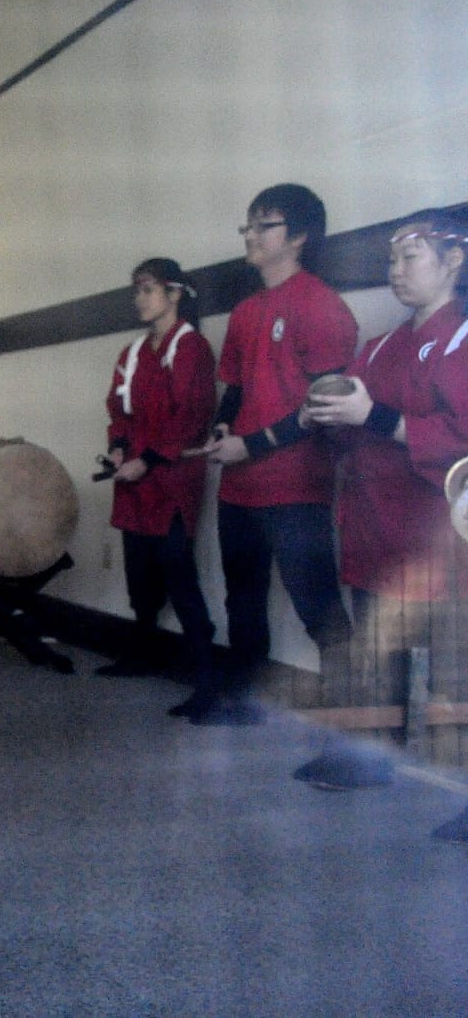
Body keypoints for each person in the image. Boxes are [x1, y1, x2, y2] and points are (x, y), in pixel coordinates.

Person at [292, 209, 468, 791]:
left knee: (455, 670)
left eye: (409, 257)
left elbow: (459, 439)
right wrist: (321, 414)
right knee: (377, 658)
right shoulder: (381, 345)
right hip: (375, 528)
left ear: (453, 260)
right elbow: (352, 425)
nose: (395, 270)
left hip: (439, 537)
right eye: (390, 259)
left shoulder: (463, 339)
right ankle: (370, 760)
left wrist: (378, 416)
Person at [191, 184, 357, 726]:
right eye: (248, 225)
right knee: (243, 599)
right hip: (240, 486)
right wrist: (222, 429)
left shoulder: (322, 306)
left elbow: (323, 407)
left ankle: (355, 727)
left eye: (266, 225)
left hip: (295, 486)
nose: (251, 235)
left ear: (301, 236)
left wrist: (253, 444)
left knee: (318, 609)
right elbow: (235, 388)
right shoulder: (245, 311)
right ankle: (243, 699)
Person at [98, 259, 217, 686]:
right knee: (139, 573)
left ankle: (205, 670)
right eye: (137, 290)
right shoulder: (131, 353)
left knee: (177, 571)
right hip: (132, 480)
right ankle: (143, 653)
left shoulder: (191, 348)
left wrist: (145, 460)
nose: (139, 299)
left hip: (171, 478)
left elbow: (189, 419)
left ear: (174, 294)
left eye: (148, 289)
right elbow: (118, 408)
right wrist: (116, 448)